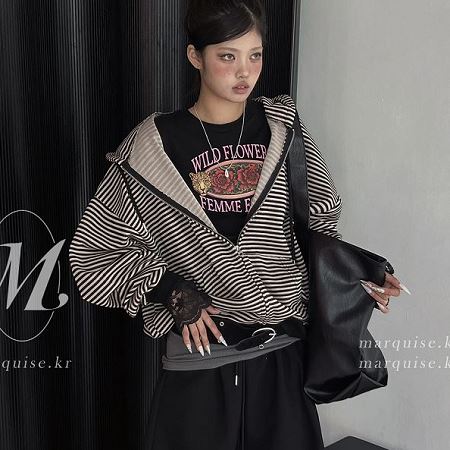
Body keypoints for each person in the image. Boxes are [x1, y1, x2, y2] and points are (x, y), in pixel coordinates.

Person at [68, 1, 410, 449]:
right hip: (201, 361)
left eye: (255, 55)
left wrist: (355, 276)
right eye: (227, 56)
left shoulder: (283, 130)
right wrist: (173, 291)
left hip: (283, 356)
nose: (244, 72)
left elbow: (318, 227)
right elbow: (94, 253)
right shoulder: (152, 147)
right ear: (195, 56)